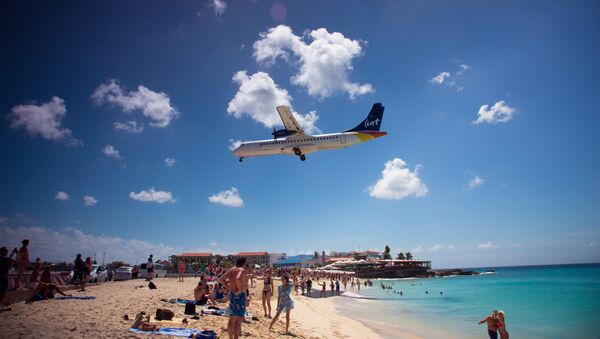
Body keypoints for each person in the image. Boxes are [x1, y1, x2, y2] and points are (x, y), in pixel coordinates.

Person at [218, 258, 248, 339]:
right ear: (244, 263)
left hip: (232, 294)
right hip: (240, 295)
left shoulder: (231, 269)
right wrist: (239, 290)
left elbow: (221, 279)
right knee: (238, 321)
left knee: (231, 319)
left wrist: (228, 287)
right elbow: (238, 279)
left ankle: (230, 337)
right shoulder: (242, 270)